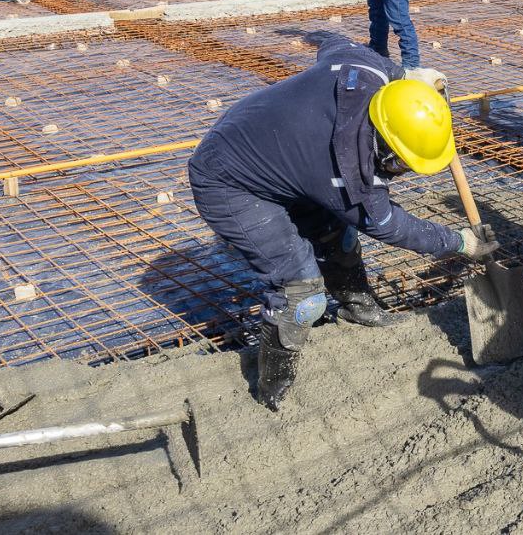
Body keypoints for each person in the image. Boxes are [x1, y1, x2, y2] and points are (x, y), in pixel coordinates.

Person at [187, 37, 495, 409]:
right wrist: (459, 242)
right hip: (229, 181)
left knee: (339, 238)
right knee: (300, 294)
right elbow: (390, 225)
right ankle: (272, 387)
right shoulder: (348, 174)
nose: (402, 173)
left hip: (276, 151)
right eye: (401, 163)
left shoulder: (368, 71)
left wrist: (410, 77)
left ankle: (358, 308)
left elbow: (333, 43)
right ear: (383, 143)